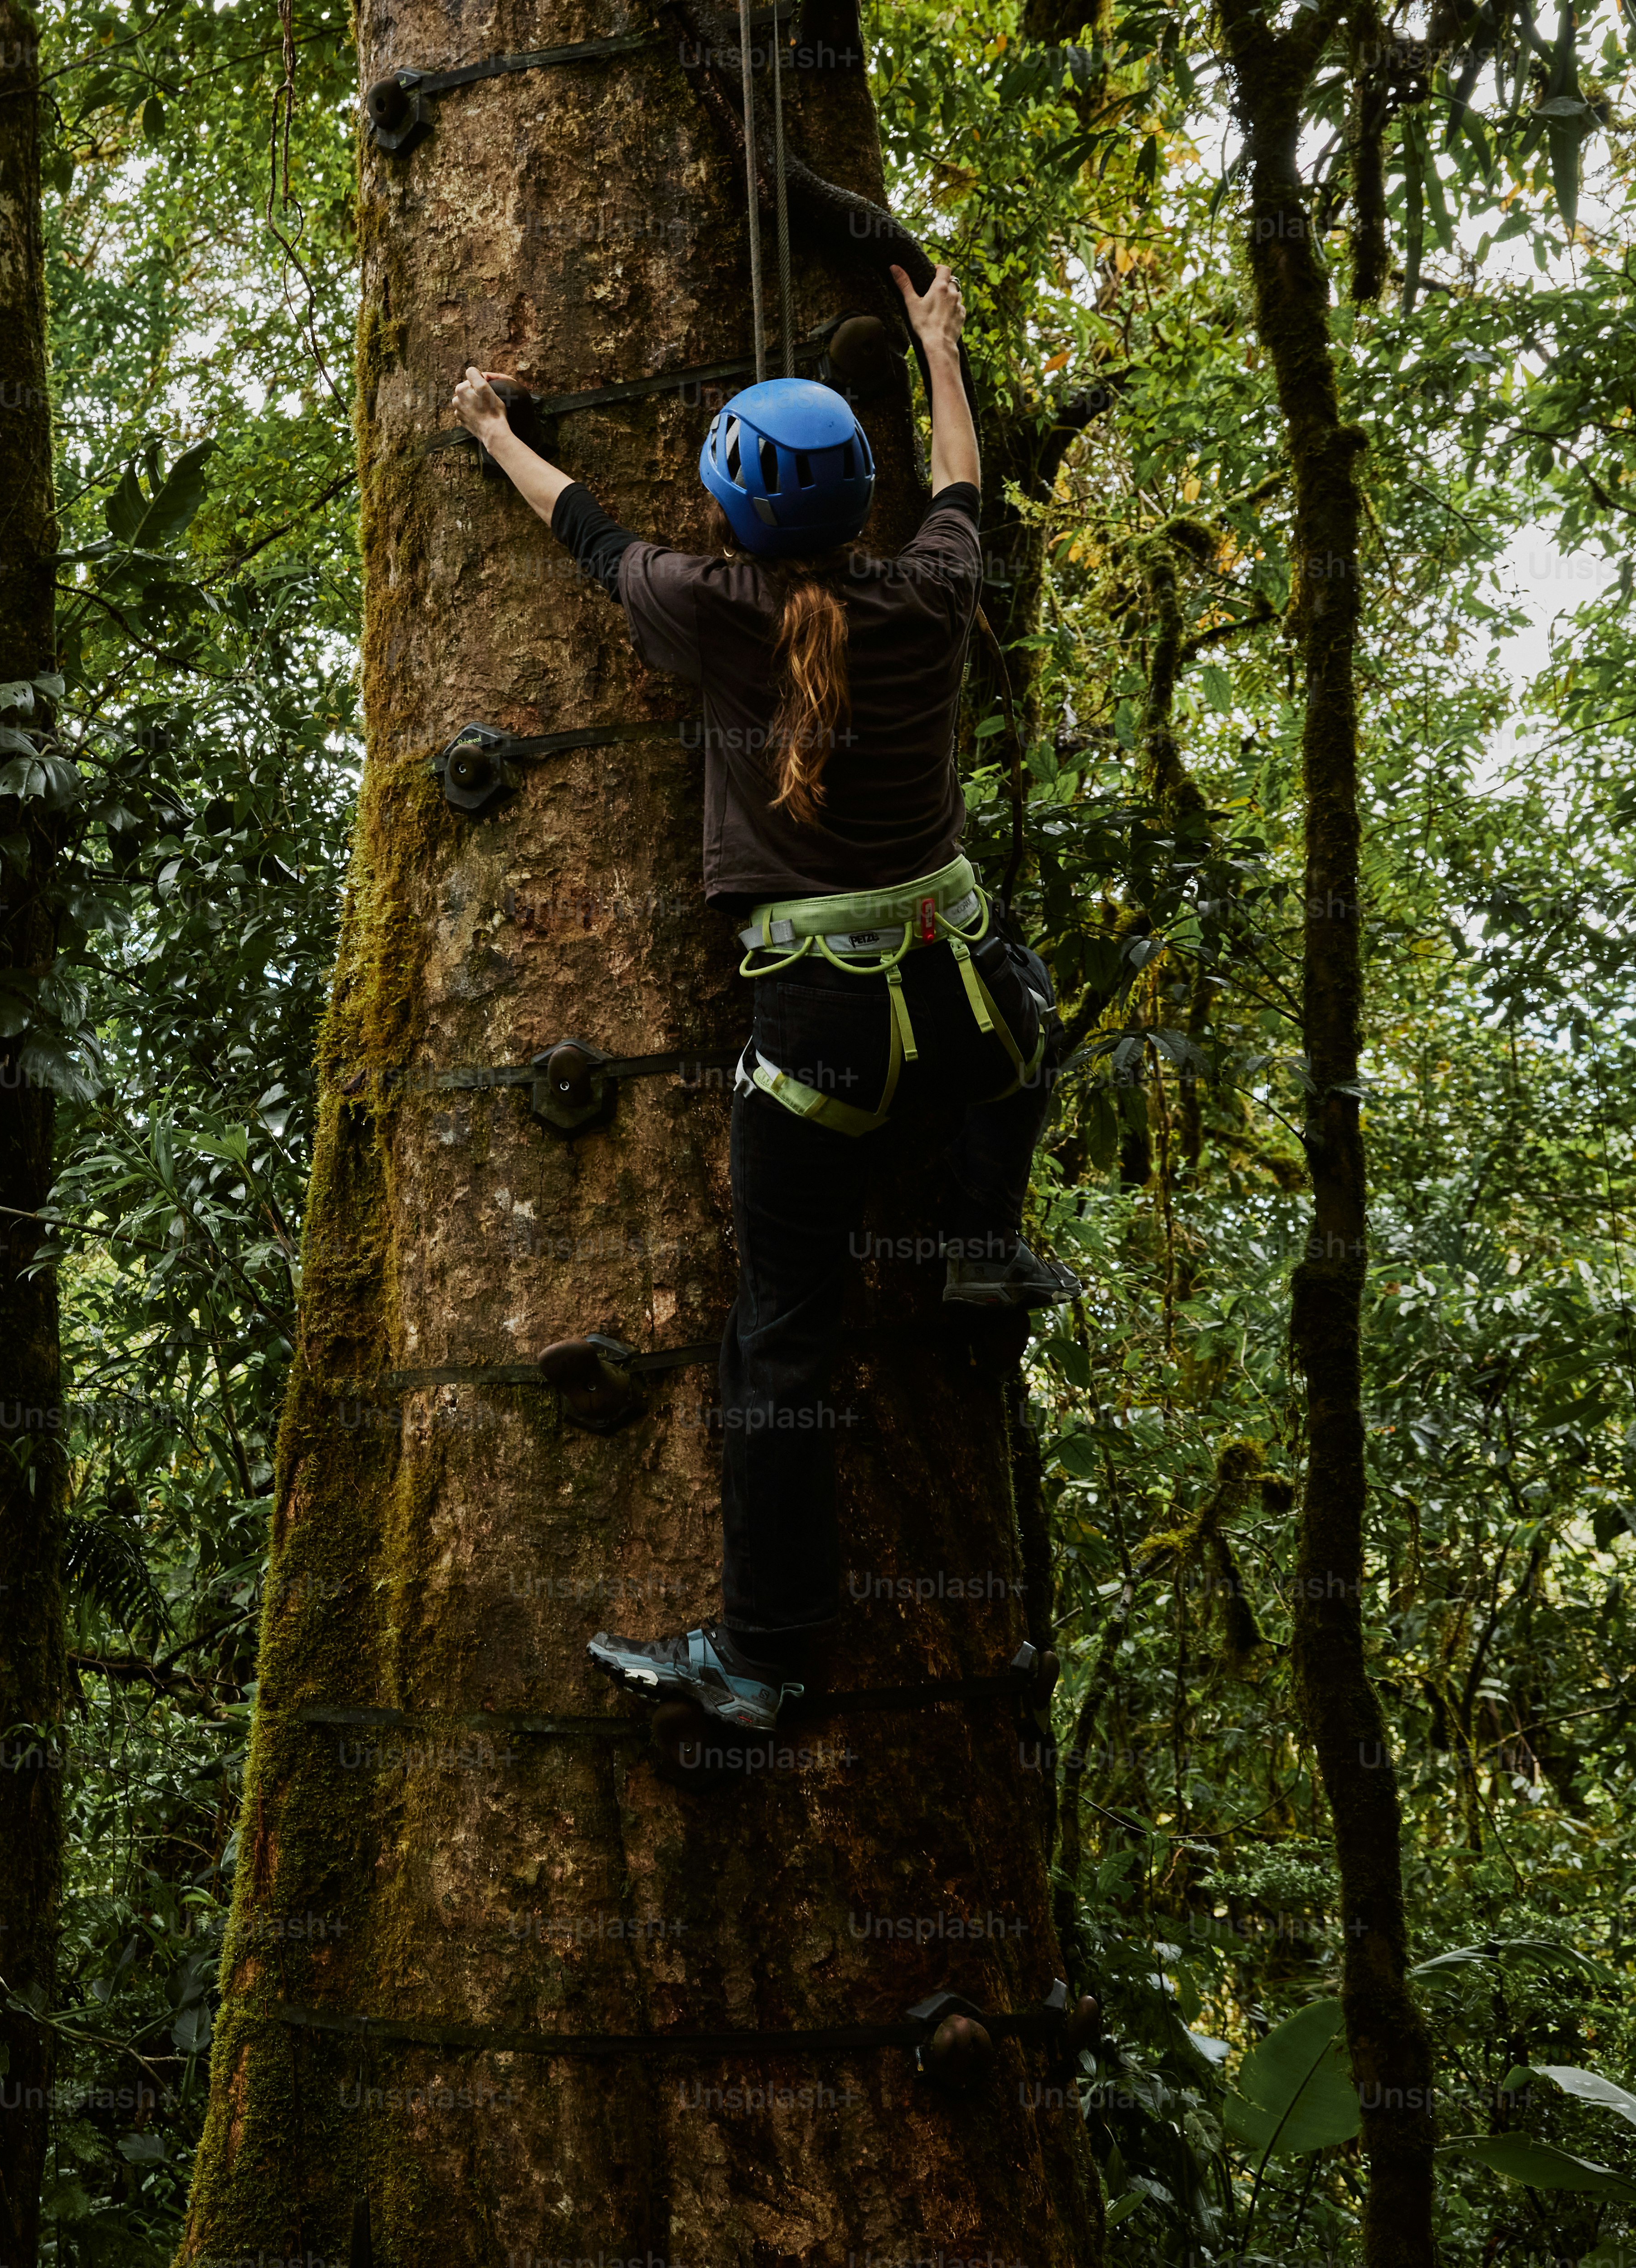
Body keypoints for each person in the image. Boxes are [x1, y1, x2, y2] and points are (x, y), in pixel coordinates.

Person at [450, 262, 1078, 1736]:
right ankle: (982, 1242)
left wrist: (490, 422)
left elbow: (585, 531)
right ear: (858, 505)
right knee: (1030, 1004)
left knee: (779, 1332)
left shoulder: (702, 608)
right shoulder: (928, 595)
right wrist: (937, 349)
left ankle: (760, 1650)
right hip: (965, 1009)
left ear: (732, 517)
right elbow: (961, 482)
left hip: (817, 1038)